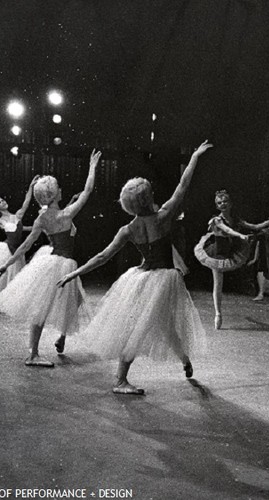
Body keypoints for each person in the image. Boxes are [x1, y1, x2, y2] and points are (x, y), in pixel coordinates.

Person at [57, 140, 212, 395]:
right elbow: (183, 185)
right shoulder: (163, 216)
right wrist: (194, 156)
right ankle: (120, 380)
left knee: (163, 325)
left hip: (143, 277)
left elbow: (102, 257)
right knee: (143, 327)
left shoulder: (128, 229)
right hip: (162, 278)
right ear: (148, 197)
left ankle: (184, 360)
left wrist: (75, 273)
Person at [0, 149, 102, 367]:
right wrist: (92, 167)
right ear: (55, 193)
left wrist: (6, 265)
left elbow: (25, 245)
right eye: (59, 188)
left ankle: (60, 338)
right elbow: (88, 190)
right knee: (44, 308)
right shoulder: (67, 214)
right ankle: (33, 354)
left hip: (53, 262)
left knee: (75, 300)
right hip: (62, 264)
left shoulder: (43, 217)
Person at [194, 190, 269, 329]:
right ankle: (218, 314)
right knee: (218, 284)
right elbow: (227, 230)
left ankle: (218, 313)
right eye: (219, 203)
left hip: (231, 250)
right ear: (217, 206)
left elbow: (254, 226)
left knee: (220, 283)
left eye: (225, 201)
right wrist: (240, 236)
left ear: (230, 203)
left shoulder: (236, 218)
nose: (223, 204)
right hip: (216, 252)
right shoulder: (217, 220)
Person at [247, 213, 269, 301]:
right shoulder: (265, 233)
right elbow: (258, 245)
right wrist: (254, 259)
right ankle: (261, 293)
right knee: (261, 271)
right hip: (267, 258)